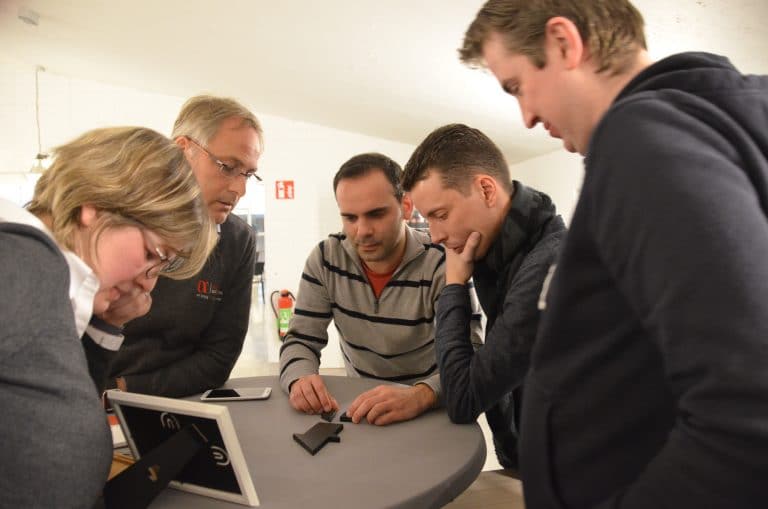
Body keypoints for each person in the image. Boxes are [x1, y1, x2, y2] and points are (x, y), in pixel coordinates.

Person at [461, 1, 768, 507]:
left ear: (564, 43)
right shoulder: (725, 119)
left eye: (517, 86)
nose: (527, 116)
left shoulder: (642, 141)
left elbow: (747, 408)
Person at [0, 126, 216, 508]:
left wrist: (107, 324)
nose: (148, 285)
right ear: (94, 205)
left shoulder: (48, 281)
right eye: (151, 254)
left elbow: (64, 396)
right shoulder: (22, 260)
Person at [402, 123, 566, 469]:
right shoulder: (502, 254)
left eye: (440, 215)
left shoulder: (546, 266)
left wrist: (454, 285)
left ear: (486, 190)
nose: (435, 236)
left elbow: (462, 399)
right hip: (534, 458)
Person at [279, 153, 483, 425]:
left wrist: (421, 395)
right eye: (350, 217)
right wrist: (300, 378)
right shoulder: (326, 259)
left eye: (376, 214)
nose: (362, 231)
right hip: (363, 411)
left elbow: (473, 353)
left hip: (433, 411)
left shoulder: (443, 262)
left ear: (406, 206)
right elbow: (301, 339)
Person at [94, 95, 263, 397]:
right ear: (182, 150)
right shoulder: (109, 217)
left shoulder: (237, 241)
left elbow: (219, 356)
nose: (240, 189)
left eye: (248, 174)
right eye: (227, 167)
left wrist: (122, 390)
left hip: (178, 401)